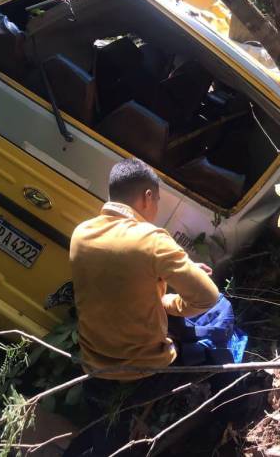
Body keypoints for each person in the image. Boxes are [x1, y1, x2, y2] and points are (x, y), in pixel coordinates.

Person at [70, 157, 220, 381]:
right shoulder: (151, 239)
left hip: (93, 364)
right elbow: (207, 296)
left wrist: (171, 270)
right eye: (157, 201)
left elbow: (121, 277)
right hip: (144, 367)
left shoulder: (81, 233)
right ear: (148, 197)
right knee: (221, 310)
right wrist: (167, 303)